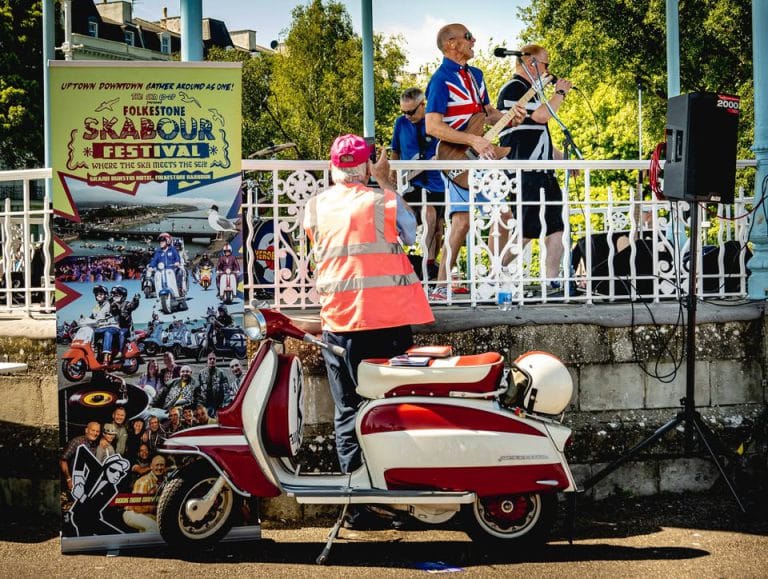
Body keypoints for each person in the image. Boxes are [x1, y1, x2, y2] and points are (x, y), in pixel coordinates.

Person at [303, 133, 434, 475]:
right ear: (365, 166)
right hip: (387, 324)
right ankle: (395, 484)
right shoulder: (382, 202)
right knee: (393, 407)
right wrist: (385, 180)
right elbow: (411, 232)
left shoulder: (315, 206)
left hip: (339, 324)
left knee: (347, 410)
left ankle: (356, 498)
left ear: (333, 168)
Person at [424, 23, 526, 300]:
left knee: (504, 217)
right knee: (462, 221)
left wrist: (509, 116)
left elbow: (487, 113)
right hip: (456, 157)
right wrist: (472, 141)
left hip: (481, 157)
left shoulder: (476, 75)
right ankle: (441, 286)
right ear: (451, 44)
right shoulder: (440, 79)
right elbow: (432, 126)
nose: (474, 40)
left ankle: (492, 279)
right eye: (468, 37)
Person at [497, 44, 574, 294]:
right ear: (530, 63)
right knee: (528, 228)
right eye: (545, 65)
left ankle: (551, 281)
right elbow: (541, 117)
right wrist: (560, 92)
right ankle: (495, 270)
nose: (548, 71)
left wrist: (563, 159)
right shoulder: (514, 89)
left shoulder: (533, 93)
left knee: (556, 227)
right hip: (524, 171)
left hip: (543, 171)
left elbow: (538, 136)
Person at [390, 87, 446, 280]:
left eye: (411, 112)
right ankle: (424, 265)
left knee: (439, 226)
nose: (407, 116)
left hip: (436, 181)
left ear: (423, 105)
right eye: (403, 112)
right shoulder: (401, 124)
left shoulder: (436, 122)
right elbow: (395, 150)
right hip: (411, 183)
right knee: (428, 214)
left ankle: (430, 263)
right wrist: (392, 172)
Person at [123, 454, 166, 533]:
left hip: (146, 513)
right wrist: (155, 508)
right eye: (157, 465)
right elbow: (137, 507)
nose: (159, 468)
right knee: (154, 527)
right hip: (132, 512)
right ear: (151, 467)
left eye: (162, 465)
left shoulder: (164, 481)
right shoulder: (144, 481)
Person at [60, 421, 101, 491]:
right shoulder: (77, 442)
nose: (95, 433)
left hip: (87, 483)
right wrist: (69, 479)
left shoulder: (96, 445)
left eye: (97, 431)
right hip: (74, 482)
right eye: (93, 430)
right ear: (86, 430)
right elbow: (63, 460)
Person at [89, 285, 120, 363]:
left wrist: (112, 303)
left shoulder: (110, 303)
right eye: (97, 293)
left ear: (105, 294)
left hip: (112, 326)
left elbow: (116, 309)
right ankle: (90, 354)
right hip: (100, 327)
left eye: (101, 293)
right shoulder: (95, 307)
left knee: (108, 332)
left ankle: (107, 355)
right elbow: (91, 318)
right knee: (89, 333)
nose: (98, 295)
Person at [194, 352, 229, 417]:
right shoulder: (201, 373)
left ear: (216, 361)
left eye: (214, 359)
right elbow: (197, 390)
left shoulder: (221, 373)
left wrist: (223, 404)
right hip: (205, 403)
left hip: (218, 404)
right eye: (210, 359)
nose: (212, 360)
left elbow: (226, 390)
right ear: (207, 361)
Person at [147, 232, 181, 297]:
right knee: (157, 275)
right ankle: (158, 296)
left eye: (162, 241)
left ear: (167, 241)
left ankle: (176, 295)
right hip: (160, 270)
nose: (161, 243)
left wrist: (177, 262)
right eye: (160, 241)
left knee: (172, 277)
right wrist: (151, 266)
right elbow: (154, 260)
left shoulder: (172, 249)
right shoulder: (158, 251)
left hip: (170, 269)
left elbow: (177, 256)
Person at [109, 285, 139, 357]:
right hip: (116, 326)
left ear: (123, 296)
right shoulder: (113, 305)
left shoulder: (126, 304)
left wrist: (136, 300)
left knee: (121, 333)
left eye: (117, 295)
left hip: (126, 327)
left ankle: (120, 351)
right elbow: (113, 311)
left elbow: (133, 305)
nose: (115, 296)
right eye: (114, 295)